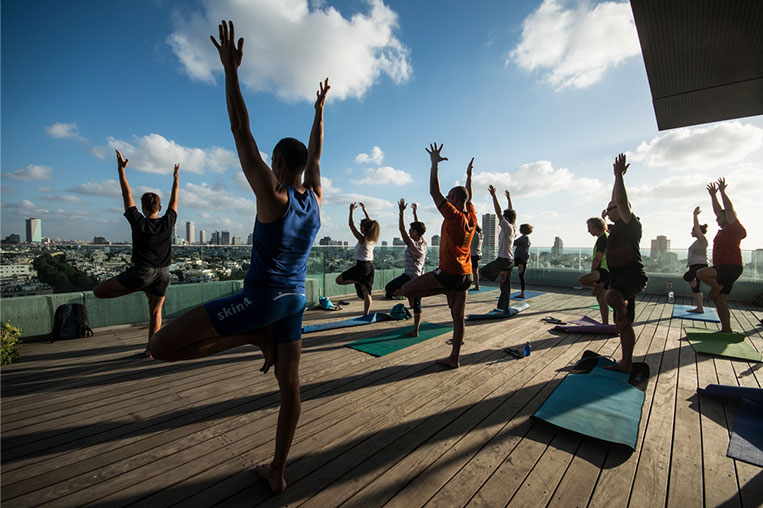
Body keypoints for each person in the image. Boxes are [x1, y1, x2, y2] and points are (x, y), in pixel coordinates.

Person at [149, 20, 329, 494]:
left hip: (261, 302)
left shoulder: (276, 198)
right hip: (295, 302)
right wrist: (319, 110)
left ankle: (250, 337)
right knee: (291, 392)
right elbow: (317, 154)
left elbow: (239, 128)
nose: (268, 163)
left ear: (279, 165)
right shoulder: (315, 202)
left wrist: (230, 71)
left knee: (160, 347)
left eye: (272, 159)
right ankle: (278, 470)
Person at [93, 150, 179, 357]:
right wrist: (176, 178)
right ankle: (151, 350)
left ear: (142, 207)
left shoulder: (138, 221)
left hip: (143, 273)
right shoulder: (169, 221)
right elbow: (175, 199)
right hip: (165, 272)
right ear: (159, 206)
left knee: (99, 291)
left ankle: (140, 288)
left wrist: (121, 171)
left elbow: (126, 195)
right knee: (156, 312)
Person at [400, 147, 476, 368]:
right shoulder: (471, 216)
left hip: (449, 274)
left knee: (407, 290)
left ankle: (443, 290)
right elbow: (469, 195)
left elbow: (435, 192)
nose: (447, 200)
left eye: (450, 197)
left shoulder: (454, 216)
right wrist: (469, 176)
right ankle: (455, 358)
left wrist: (434, 164)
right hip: (465, 274)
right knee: (458, 318)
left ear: (454, 199)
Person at [604, 153, 647, 372]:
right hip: (618, 277)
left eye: (610, 209)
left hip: (631, 276)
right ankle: (627, 363)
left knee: (611, 296)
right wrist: (615, 180)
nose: (607, 211)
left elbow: (620, 202)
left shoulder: (631, 223)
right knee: (623, 325)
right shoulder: (617, 226)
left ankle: (622, 306)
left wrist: (618, 176)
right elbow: (615, 200)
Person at [697, 178, 746, 333]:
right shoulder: (724, 230)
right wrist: (712, 196)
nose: (717, 220)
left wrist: (723, 192)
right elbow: (720, 211)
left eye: (720, 218)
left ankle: (716, 286)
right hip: (725, 268)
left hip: (730, 267)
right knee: (720, 301)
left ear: (729, 218)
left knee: (701, 273)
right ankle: (727, 329)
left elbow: (728, 210)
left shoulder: (734, 228)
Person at [385, 199, 427, 335]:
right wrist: (415, 213)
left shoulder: (414, 246)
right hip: (418, 277)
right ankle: (415, 329)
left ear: (415, 232)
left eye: (411, 230)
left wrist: (401, 213)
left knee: (390, 289)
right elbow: (419, 228)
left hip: (410, 276)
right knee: (416, 305)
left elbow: (401, 229)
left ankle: (410, 294)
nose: (409, 232)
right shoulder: (423, 243)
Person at [336, 202, 379, 316]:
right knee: (366, 292)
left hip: (361, 266)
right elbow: (371, 225)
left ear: (364, 228)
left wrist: (351, 211)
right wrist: (365, 211)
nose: (360, 228)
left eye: (361, 226)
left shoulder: (362, 239)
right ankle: (366, 314)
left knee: (339, 280)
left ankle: (357, 280)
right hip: (370, 266)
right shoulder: (373, 238)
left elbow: (351, 225)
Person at [479, 186, 516, 311]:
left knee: (483, 271)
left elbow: (499, 213)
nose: (502, 220)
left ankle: (501, 272)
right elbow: (511, 211)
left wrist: (494, 195)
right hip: (509, 260)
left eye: (504, 218)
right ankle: (503, 306)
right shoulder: (513, 226)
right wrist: (509, 198)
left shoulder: (507, 227)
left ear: (507, 219)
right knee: (505, 286)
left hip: (504, 260)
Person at [578, 216, 610, 324]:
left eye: (590, 228)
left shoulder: (602, 239)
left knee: (582, 280)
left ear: (596, 227)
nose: (588, 231)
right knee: (601, 298)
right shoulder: (605, 236)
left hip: (604, 271)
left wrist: (592, 272)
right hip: (608, 272)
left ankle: (598, 285)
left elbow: (597, 258)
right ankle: (605, 323)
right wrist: (603, 217)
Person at [683, 206, 709, 313]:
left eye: (693, 231)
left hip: (700, 265)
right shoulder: (697, 242)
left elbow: (697, 228)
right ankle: (700, 308)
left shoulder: (702, 240)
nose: (691, 232)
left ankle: (699, 307)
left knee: (688, 277)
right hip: (695, 265)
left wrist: (694, 216)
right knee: (695, 288)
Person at [513, 224, 533, 298]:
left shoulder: (523, 238)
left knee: (520, 275)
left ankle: (522, 293)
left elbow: (514, 243)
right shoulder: (526, 238)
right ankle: (522, 293)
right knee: (521, 275)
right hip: (523, 258)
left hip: (520, 258)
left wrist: (513, 236)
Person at [470, 224, 483, 291]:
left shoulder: (474, 233)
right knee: (475, 271)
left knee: (474, 272)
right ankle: (476, 285)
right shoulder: (480, 234)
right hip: (478, 253)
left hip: (473, 255)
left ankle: (476, 286)